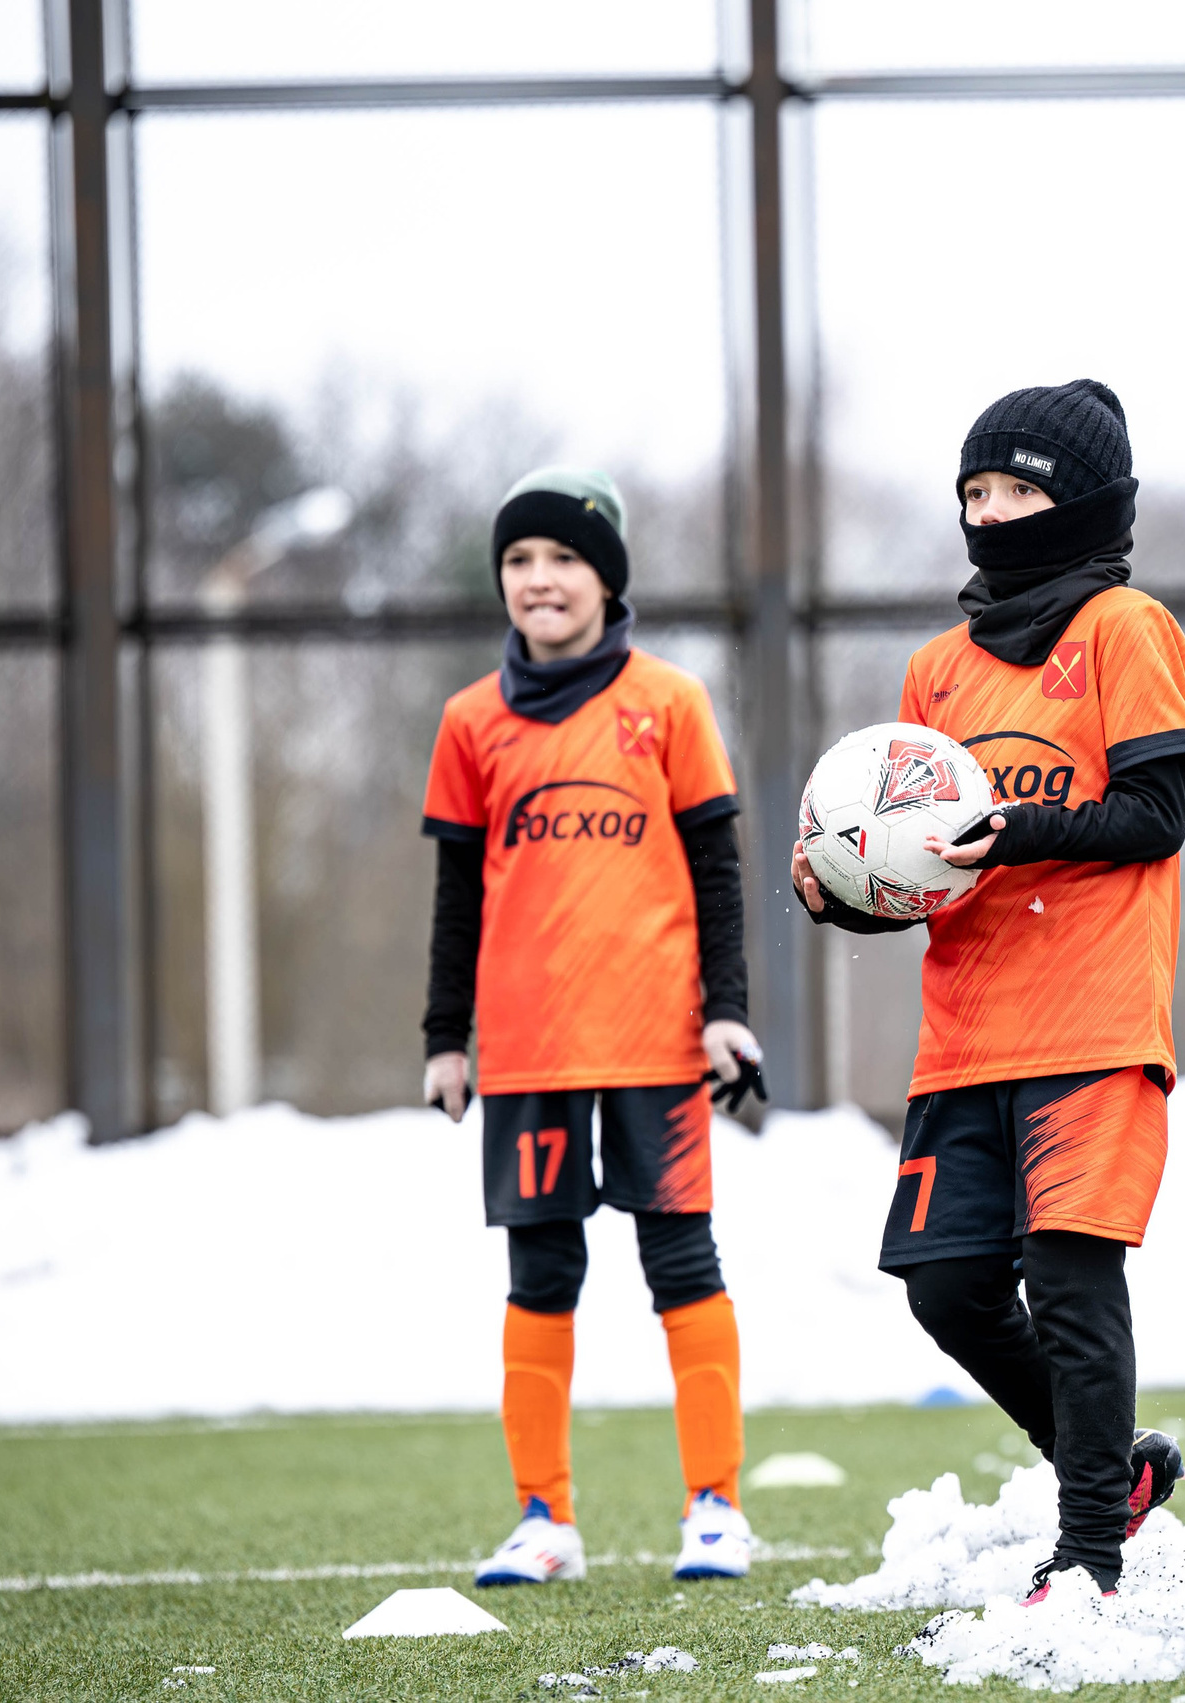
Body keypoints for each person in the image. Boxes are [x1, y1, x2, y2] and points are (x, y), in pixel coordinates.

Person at [793, 380, 1185, 1603]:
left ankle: (1086, 1552)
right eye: (974, 491)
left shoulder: (1127, 627)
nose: (992, 510)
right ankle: (1113, 1469)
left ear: (1081, 503)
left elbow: (1153, 814)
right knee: (946, 1286)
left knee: (1071, 1281)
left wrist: (1012, 826)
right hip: (967, 1034)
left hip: (1093, 1019)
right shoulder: (936, 667)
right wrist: (848, 885)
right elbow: (924, 866)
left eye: (1018, 488)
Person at [420, 466, 766, 1587]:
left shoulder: (668, 702)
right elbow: (458, 893)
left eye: (562, 558)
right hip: (525, 1051)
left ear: (605, 578)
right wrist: (445, 1034)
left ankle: (714, 1505)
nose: (539, 579)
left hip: (656, 1043)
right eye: (519, 560)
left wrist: (726, 1013)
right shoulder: (470, 721)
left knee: (681, 1261)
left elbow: (716, 866)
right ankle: (543, 1518)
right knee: (539, 1274)